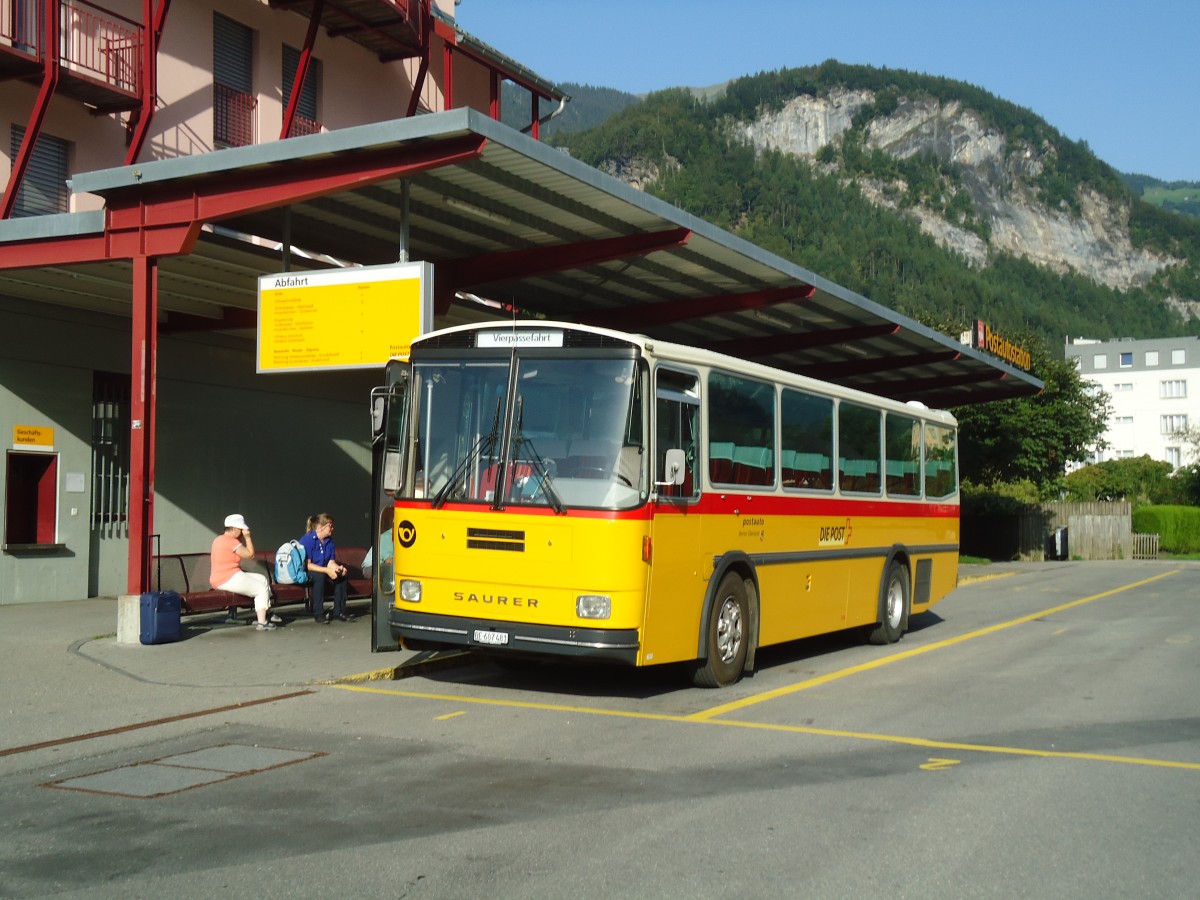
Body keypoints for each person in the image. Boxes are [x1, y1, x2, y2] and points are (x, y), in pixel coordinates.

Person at [210, 513, 280, 630]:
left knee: (262, 579)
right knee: (260, 588)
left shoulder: (218, 539)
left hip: (224, 577)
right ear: (234, 529)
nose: (242, 532)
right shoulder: (231, 541)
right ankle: (262, 623)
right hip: (227, 578)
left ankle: (266, 612)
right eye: (241, 529)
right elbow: (250, 555)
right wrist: (247, 538)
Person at [300, 512, 350, 623]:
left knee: (341, 576)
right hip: (310, 570)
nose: (332, 528)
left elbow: (330, 562)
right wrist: (327, 571)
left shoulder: (329, 541)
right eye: (330, 526)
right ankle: (318, 613)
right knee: (320, 576)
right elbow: (307, 565)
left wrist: (337, 568)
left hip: (323, 569)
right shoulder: (308, 540)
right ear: (321, 527)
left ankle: (339, 612)